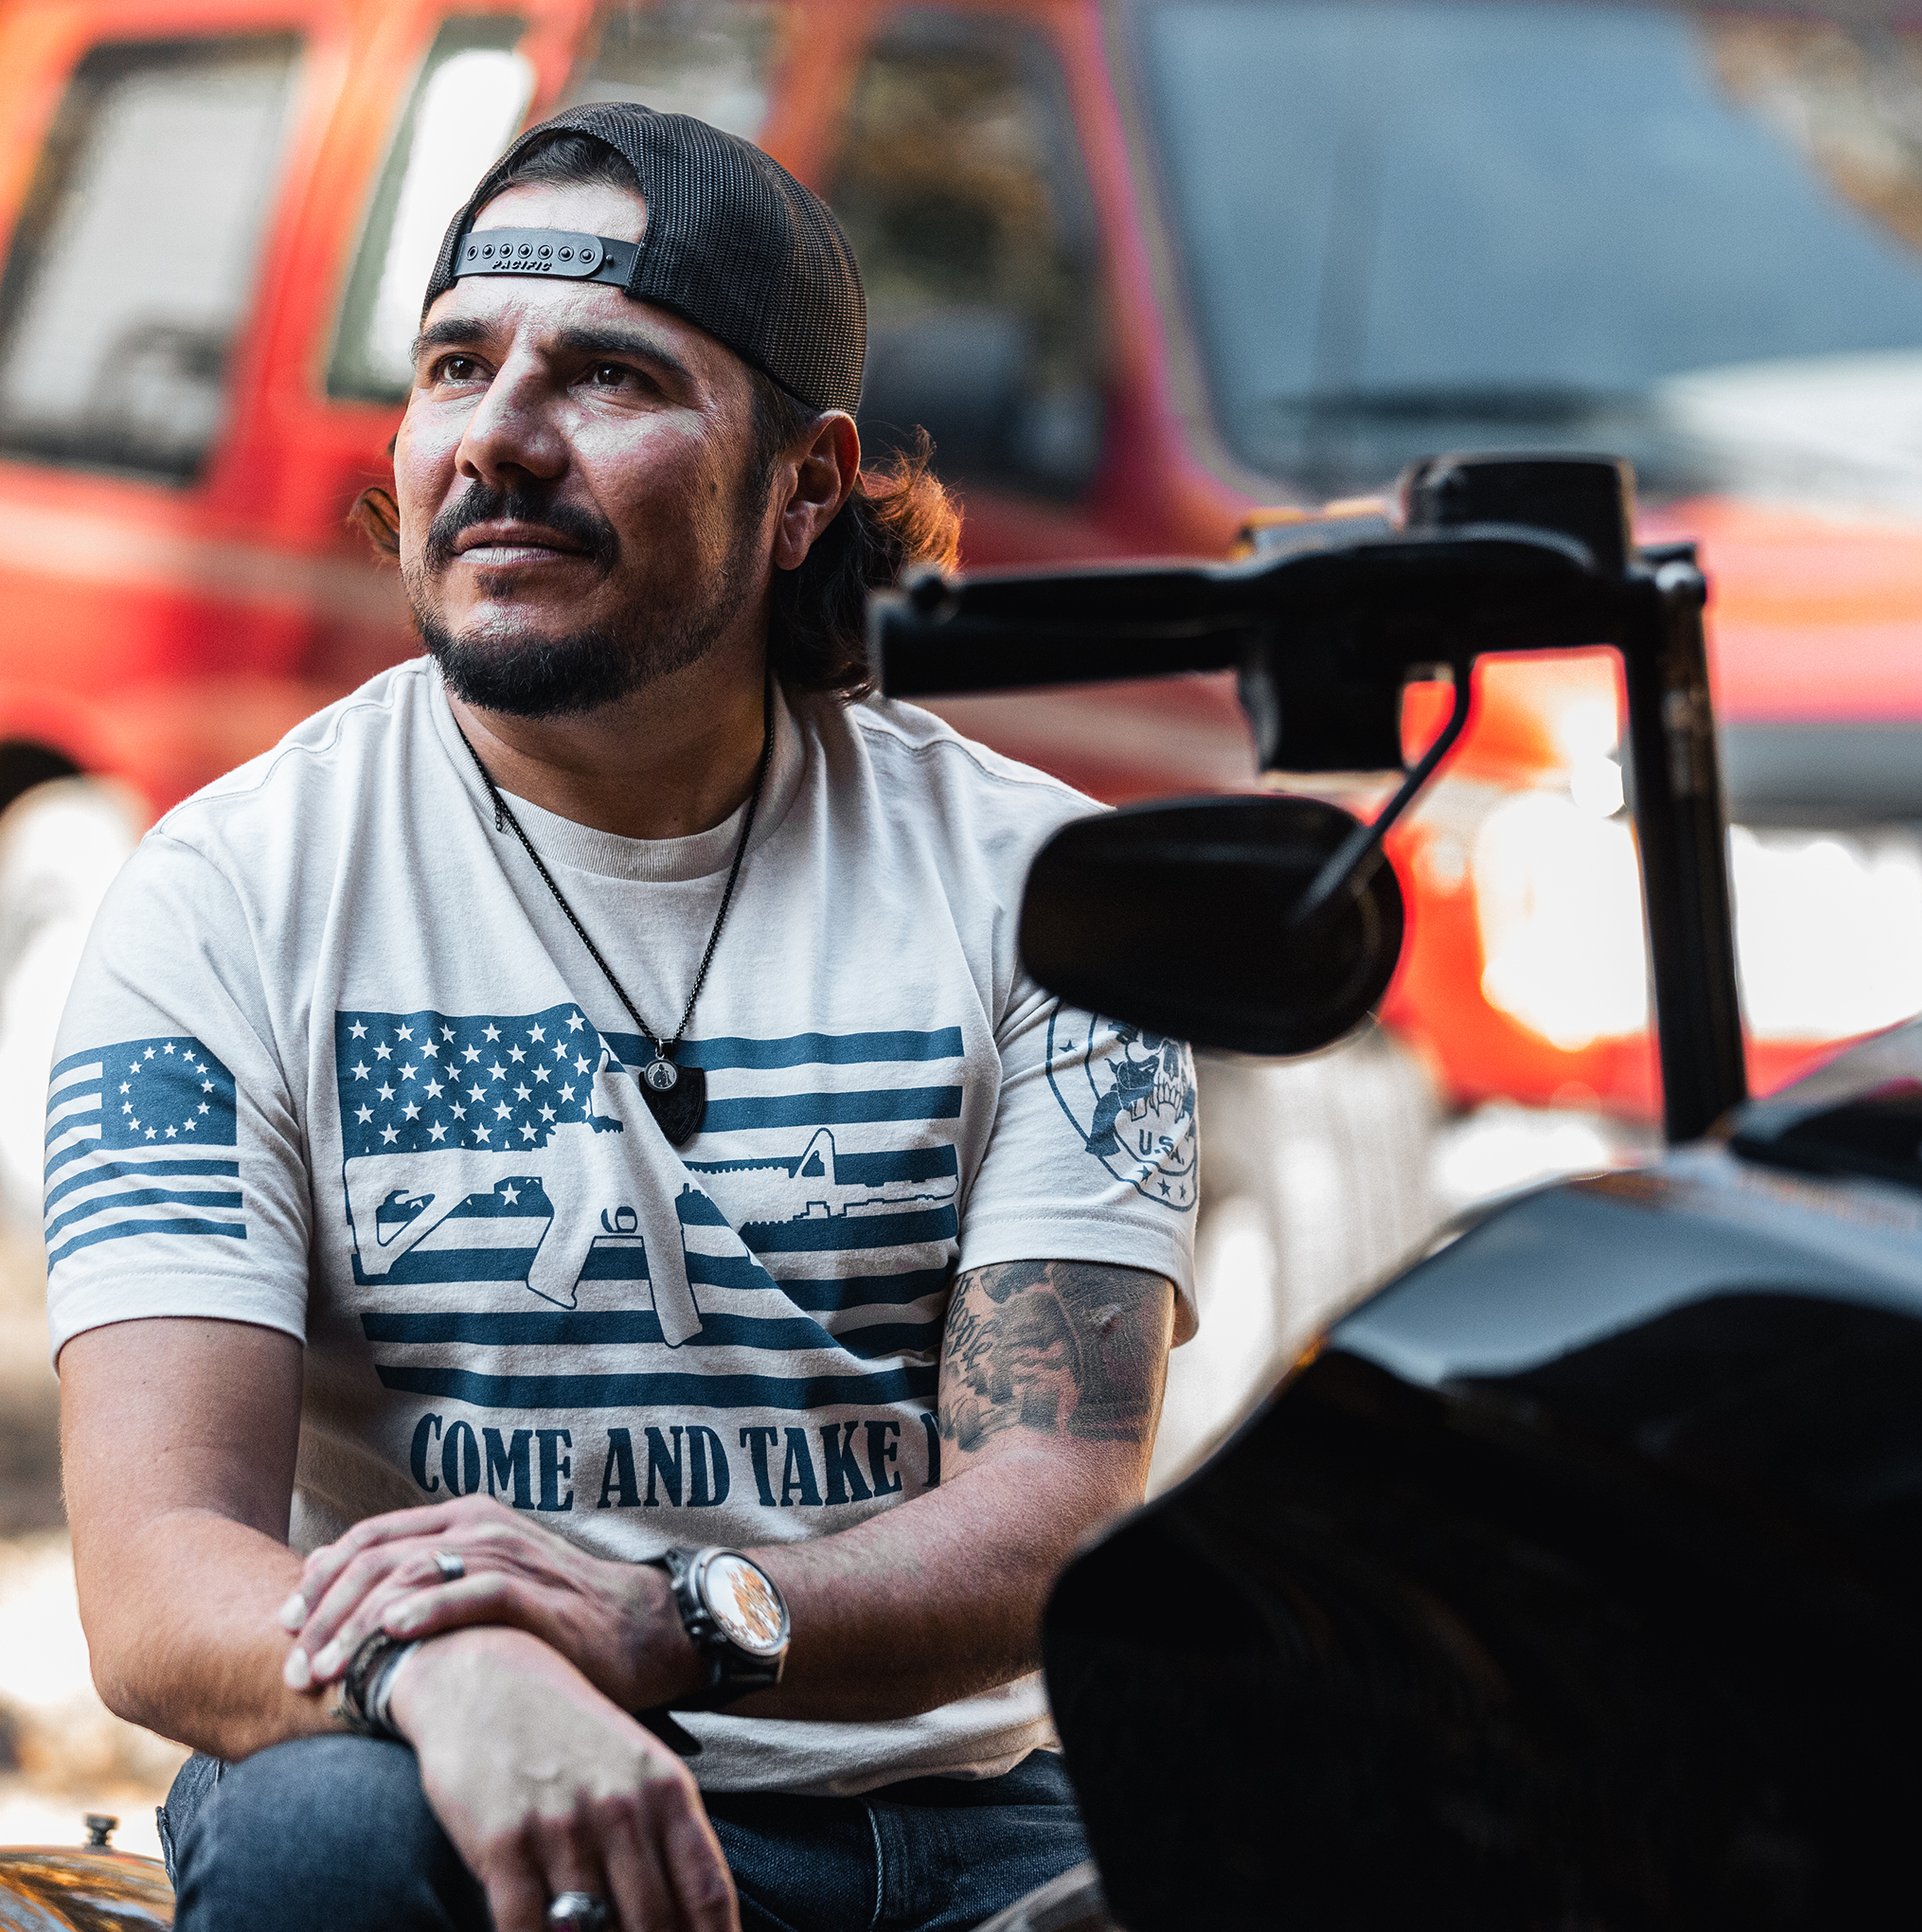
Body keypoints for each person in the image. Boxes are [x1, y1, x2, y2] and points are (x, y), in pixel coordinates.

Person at [46, 103, 1198, 1932]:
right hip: (470, 1790)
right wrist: (444, 1672)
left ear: (803, 486)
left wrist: (657, 1629)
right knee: (316, 1843)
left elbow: (1052, 1502)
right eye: (453, 365)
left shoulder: (1037, 887)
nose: (497, 436)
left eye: (606, 374)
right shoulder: (230, 895)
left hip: (964, 1819)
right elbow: (153, 1572)